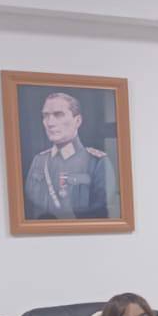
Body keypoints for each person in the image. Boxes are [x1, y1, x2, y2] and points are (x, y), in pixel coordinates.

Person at [23, 92, 110, 220]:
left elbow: (101, 214)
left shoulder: (96, 162)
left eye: (58, 115)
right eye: (45, 116)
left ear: (77, 121)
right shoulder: (39, 161)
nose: (50, 123)